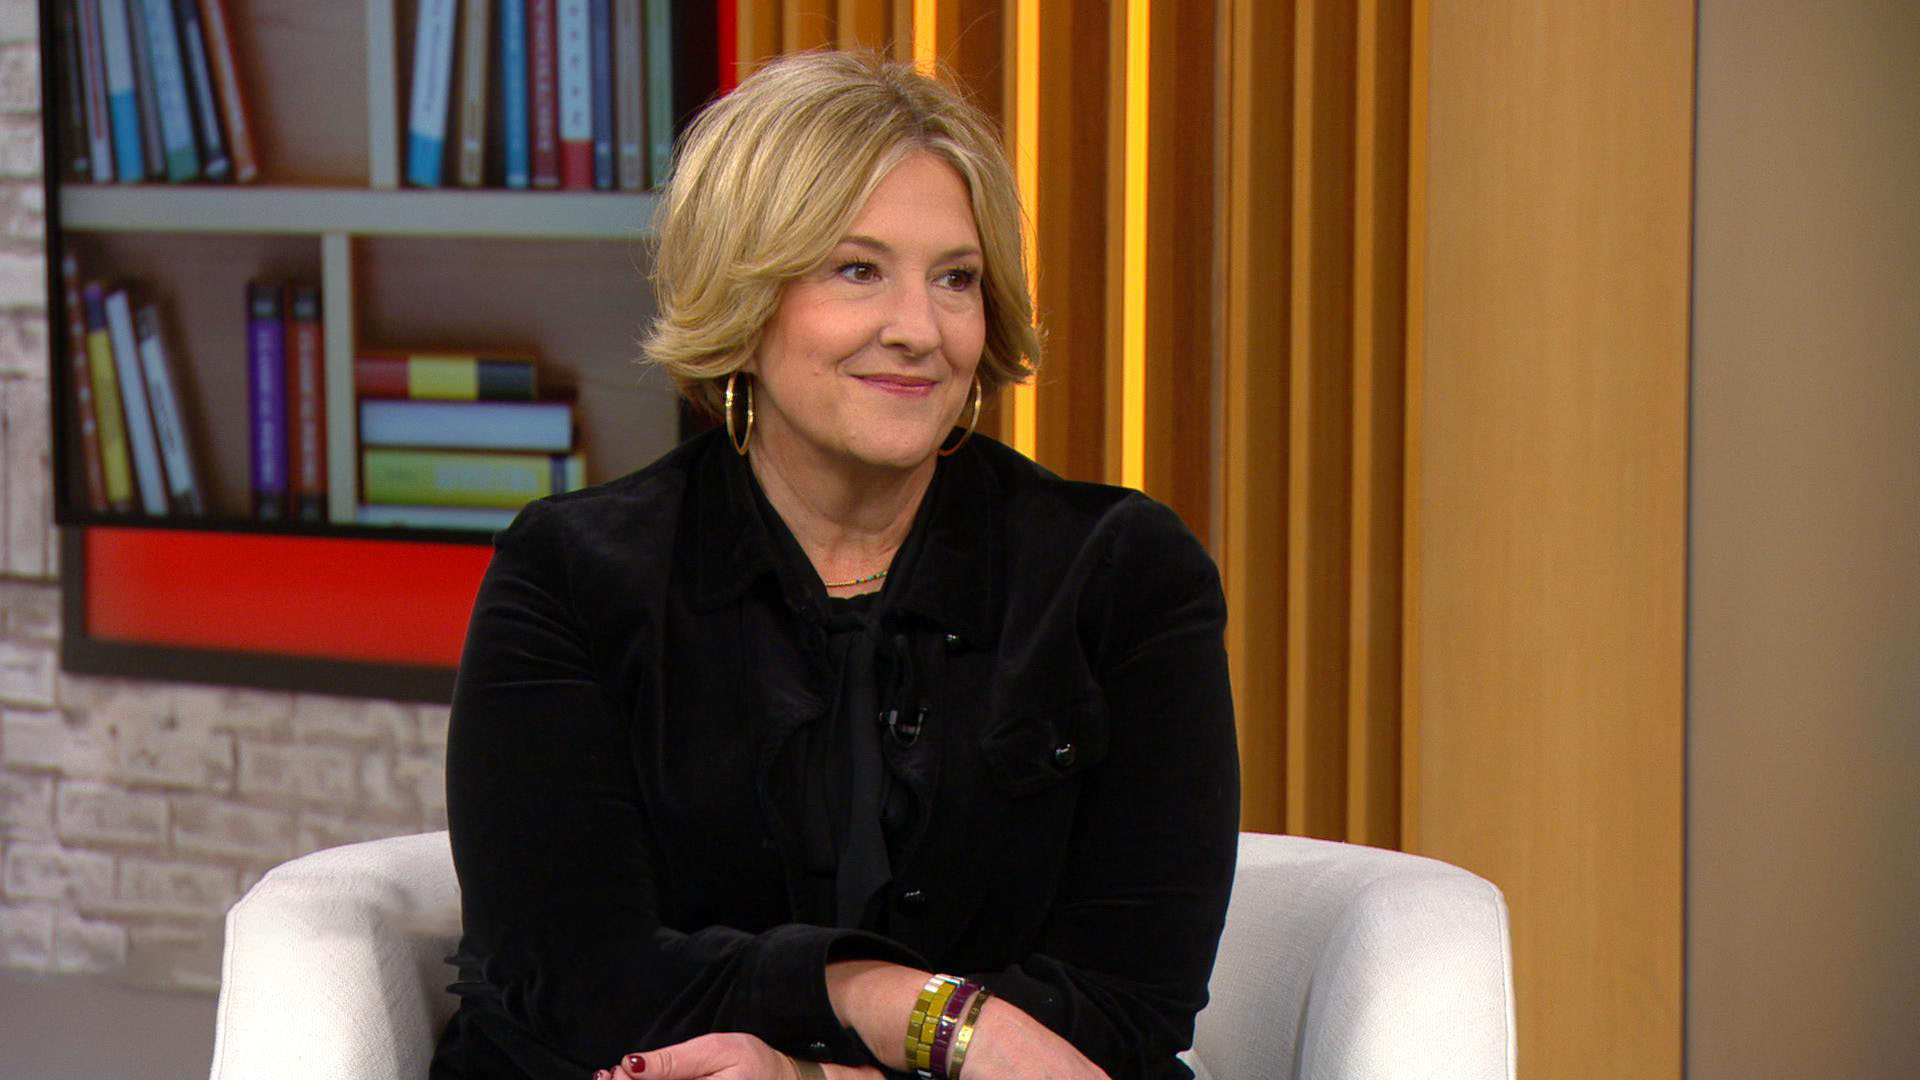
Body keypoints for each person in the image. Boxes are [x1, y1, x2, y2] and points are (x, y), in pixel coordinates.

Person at [430, 50, 1239, 1080]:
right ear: (745, 292)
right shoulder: (572, 574)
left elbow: (1132, 1001)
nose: (919, 330)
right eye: (858, 270)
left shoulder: (1124, 573)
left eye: (956, 279)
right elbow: (577, 978)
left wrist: (813, 1075)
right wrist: (895, 1001)